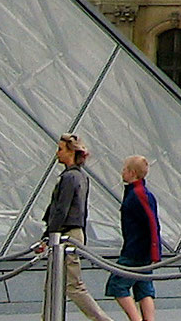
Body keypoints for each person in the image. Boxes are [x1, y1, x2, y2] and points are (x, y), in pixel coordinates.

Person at [37, 134, 112, 321]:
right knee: (54, 284)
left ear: (70, 152)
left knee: (72, 285)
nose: (57, 153)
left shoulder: (70, 177)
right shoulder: (80, 177)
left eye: (60, 149)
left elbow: (61, 208)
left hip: (65, 234)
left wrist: (48, 235)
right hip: (70, 233)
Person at [106, 156, 161, 321]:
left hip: (135, 250)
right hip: (141, 248)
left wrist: (154, 251)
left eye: (124, 169)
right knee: (143, 286)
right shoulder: (139, 192)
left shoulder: (138, 194)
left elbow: (152, 222)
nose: (122, 172)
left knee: (117, 285)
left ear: (132, 173)